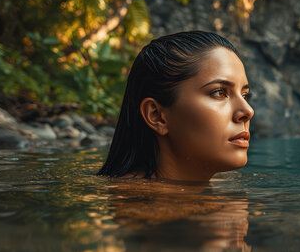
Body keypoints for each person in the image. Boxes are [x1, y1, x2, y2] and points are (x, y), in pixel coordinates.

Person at [98, 31, 254, 182]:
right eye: (219, 92)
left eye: (245, 95)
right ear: (156, 116)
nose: (248, 111)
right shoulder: (140, 204)